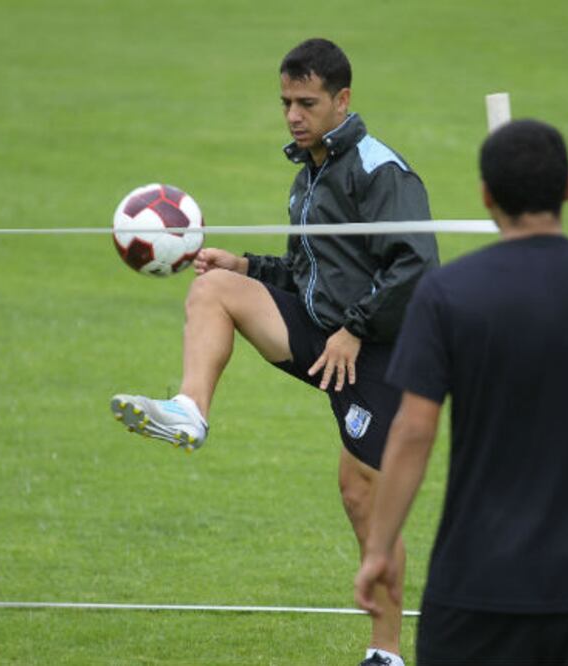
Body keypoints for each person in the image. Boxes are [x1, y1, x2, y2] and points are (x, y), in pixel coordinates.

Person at [112, 38, 439, 666]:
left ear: (342, 100)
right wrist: (245, 264)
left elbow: (416, 268)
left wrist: (356, 330)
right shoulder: (309, 175)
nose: (293, 114)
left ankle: (387, 653)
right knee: (216, 288)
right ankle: (190, 411)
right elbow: (311, 271)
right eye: (286, 101)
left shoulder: (379, 170)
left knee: (361, 494)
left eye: (307, 102)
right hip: (325, 336)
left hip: (381, 352)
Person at [354, 118, 568, 665]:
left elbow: (414, 430)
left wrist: (378, 549)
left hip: (470, 590)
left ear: (486, 195)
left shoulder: (447, 293)